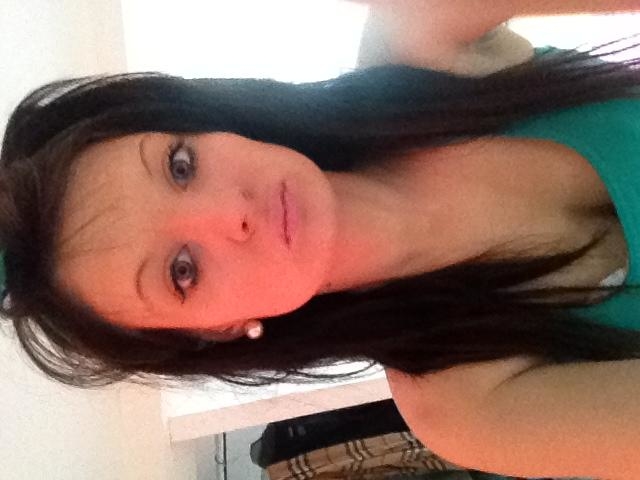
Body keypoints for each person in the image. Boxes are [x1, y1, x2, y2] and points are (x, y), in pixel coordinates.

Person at [2, 1, 640, 478]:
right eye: (183, 270)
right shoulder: (469, 410)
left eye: (181, 166)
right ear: (217, 330)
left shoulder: (417, 36)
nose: (232, 212)